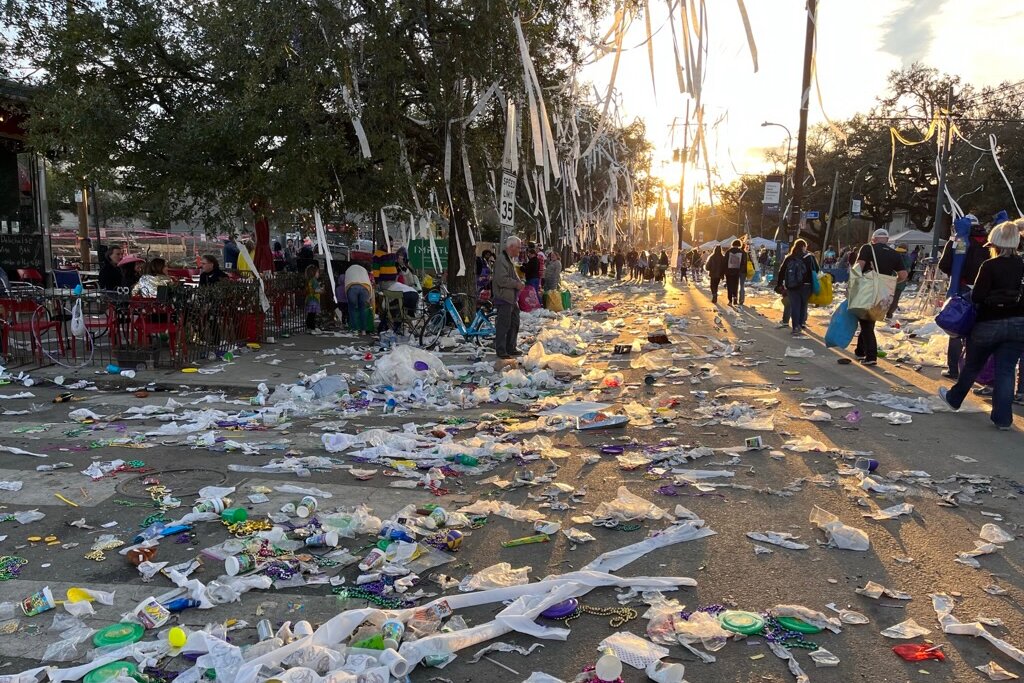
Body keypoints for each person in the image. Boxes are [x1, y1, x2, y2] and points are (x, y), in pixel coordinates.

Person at [939, 220, 1024, 431]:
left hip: (988, 322)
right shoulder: (1022, 266)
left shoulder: (989, 266)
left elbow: (977, 296)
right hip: (1017, 325)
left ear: (994, 244)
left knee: (973, 365)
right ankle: (1003, 419)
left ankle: (954, 398)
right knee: (1005, 371)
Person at [939, 215, 989, 379]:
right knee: (979, 331)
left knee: (956, 329)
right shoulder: (990, 240)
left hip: (961, 287)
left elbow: (945, 264)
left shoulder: (958, 239)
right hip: (986, 291)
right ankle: (974, 371)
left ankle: (953, 369)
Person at [853, 229, 908, 365]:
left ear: (873, 239)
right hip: (883, 292)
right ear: (887, 240)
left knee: (866, 322)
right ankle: (860, 351)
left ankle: (871, 356)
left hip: (868, 288)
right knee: (869, 320)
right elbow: (903, 275)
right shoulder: (895, 254)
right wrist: (891, 281)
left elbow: (858, 267)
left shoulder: (867, 248)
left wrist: (853, 283)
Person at [777, 239, 819, 335]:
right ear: (804, 247)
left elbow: (781, 271)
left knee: (795, 306)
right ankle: (802, 323)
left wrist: (779, 284)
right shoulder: (810, 257)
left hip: (792, 286)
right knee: (803, 305)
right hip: (806, 286)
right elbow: (816, 270)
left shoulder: (789, 258)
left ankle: (795, 327)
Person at [493, 236, 525, 360]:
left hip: (512, 298)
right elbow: (502, 280)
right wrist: (516, 284)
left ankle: (511, 346)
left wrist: (520, 282)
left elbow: (513, 275)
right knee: (504, 324)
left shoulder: (509, 260)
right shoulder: (501, 260)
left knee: (514, 323)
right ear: (511, 247)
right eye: (518, 247)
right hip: (504, 297)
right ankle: (501, 349)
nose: (520, 250)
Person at [344, 261, 373, 334]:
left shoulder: (348, 270)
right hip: (365, 288)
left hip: (352, 287)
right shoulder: (363, 270)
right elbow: (368, 281)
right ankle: (363, 330)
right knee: (362, 308)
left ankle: (355, 329)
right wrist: (370, 297)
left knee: (352, 309)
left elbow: (346, 283)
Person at [724, 239, 747, 306]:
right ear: (739, 244)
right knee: (735, 286)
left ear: (732, 244)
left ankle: (730, 300)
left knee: (729, 286)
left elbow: (725, 262)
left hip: (729, 272)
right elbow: (743, 262)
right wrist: (740, 270)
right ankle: (735, 299)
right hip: (737, 271)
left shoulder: (728, 252)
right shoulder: (741, 252)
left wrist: (725, 271)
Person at [304, 264, 322, 332]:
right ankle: (311, 327)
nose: (318, 274)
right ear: (313, 272)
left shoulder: (310, 280)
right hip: (314, 299)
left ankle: (309, 326)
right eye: (317, 272)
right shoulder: (314, 281)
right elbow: (316, 290)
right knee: (312, 314)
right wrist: (321, 290)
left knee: (310, 314)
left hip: (310, 299)